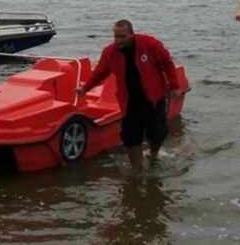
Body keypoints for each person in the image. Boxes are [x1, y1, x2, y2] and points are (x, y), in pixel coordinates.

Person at [75, 20, 182, 170]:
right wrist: (85, 88)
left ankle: (154, 154)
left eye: (122, 37)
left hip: (153, 98)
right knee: (131, 138)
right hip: (129, 102)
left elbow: (167, 64)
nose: (118, 40)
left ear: (131, 34)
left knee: (157, 134)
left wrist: (175, 86)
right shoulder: (110, 52)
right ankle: (137, 170)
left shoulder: (150, 44)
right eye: (116, 36)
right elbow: (99, 73)